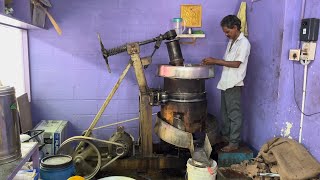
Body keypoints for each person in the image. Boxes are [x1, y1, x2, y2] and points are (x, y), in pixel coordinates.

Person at [202, 15, 251, 152]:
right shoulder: (232, 42)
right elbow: (226, 62)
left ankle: (234, 142)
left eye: (227, 31)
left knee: (234, 114)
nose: (226, 34)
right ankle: (226, 137)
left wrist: (215, 61)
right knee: (225, 114)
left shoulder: (244, 43)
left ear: (235, 28)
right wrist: (210, 62)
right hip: (225, 83)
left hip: (234, 84)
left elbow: (236, 64)